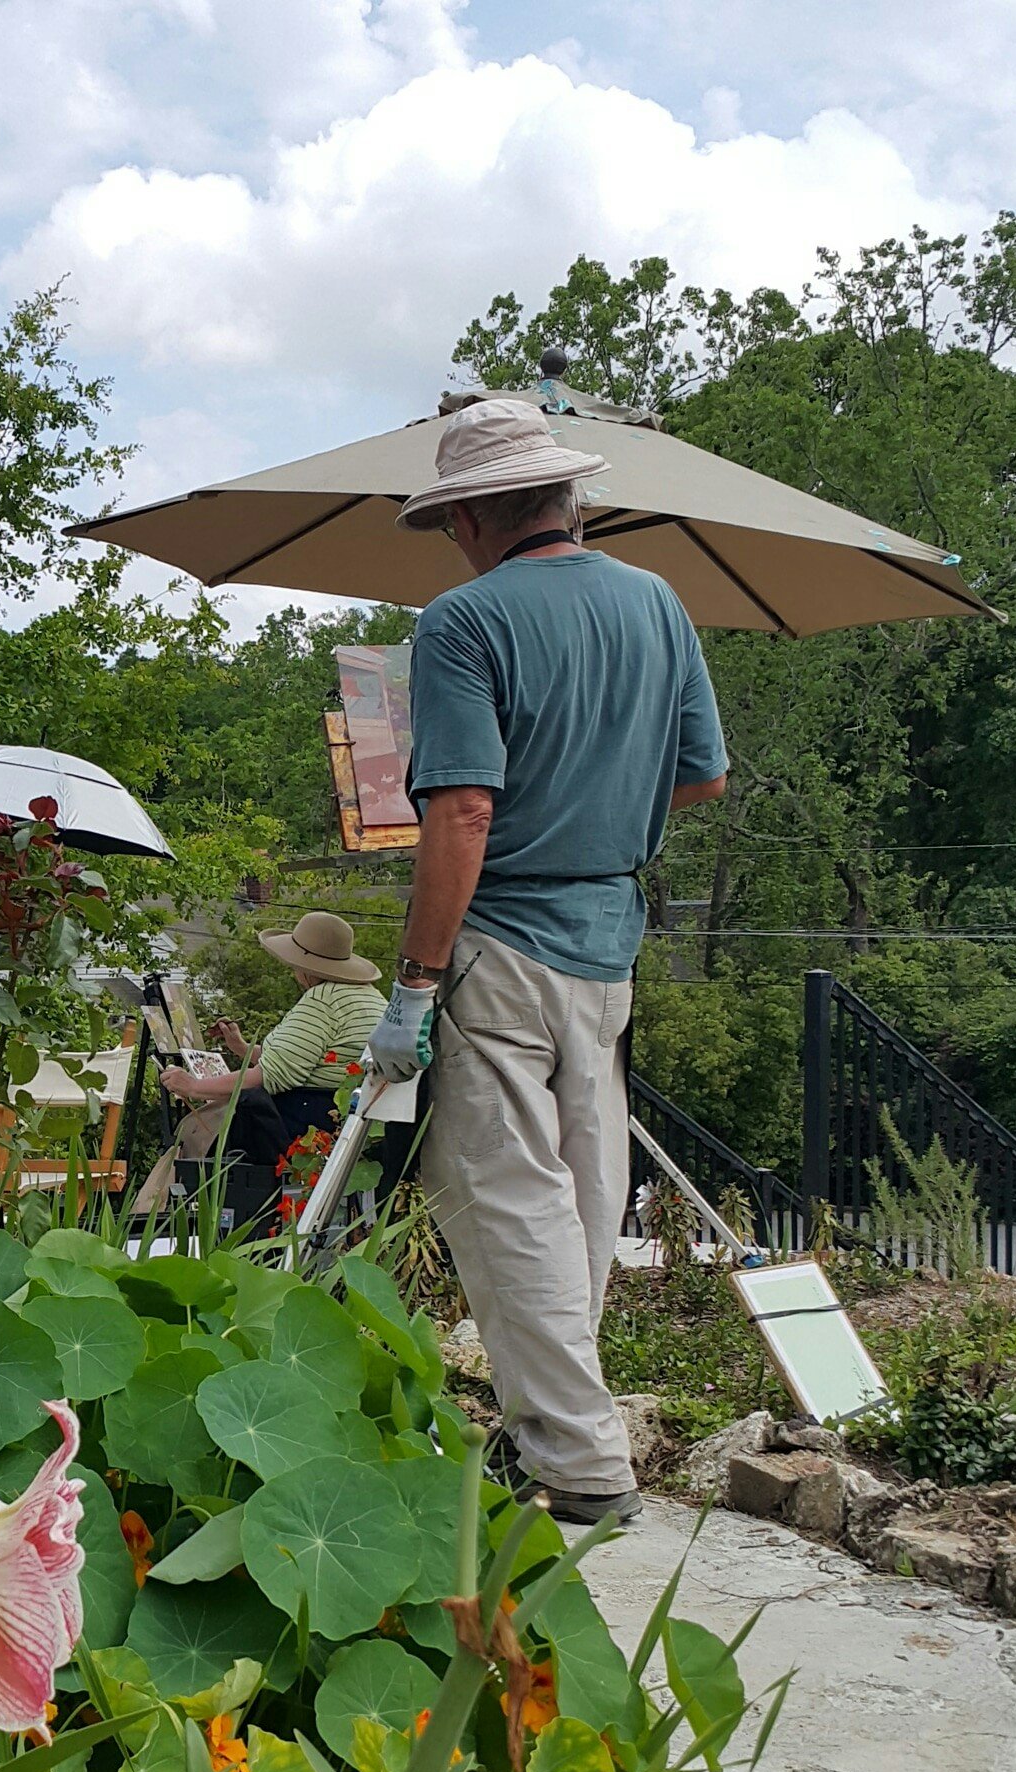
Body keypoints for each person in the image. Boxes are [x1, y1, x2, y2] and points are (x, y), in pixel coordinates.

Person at [367, 398, 728, 1523]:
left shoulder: (462, 622)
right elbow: (702, 774)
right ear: (571, 496)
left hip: (502, 948)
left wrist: (413, 985)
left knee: (506, 1196)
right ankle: (561, 1430)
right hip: (608, 948)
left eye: (450, 524)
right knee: (585, 1194)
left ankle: (581, 1465)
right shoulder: (658, 601)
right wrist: (595, 805)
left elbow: (464, 812)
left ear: (472, 515)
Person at [159, 910, 385, 1175]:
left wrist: (194, 1086)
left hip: (308, 1125)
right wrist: (242, 1048)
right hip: (358, 1120)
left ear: (305, 967)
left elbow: (268, 1077)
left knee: (198, 1134)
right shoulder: (373, 998)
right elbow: (299, 1059)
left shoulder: (323, 1000)